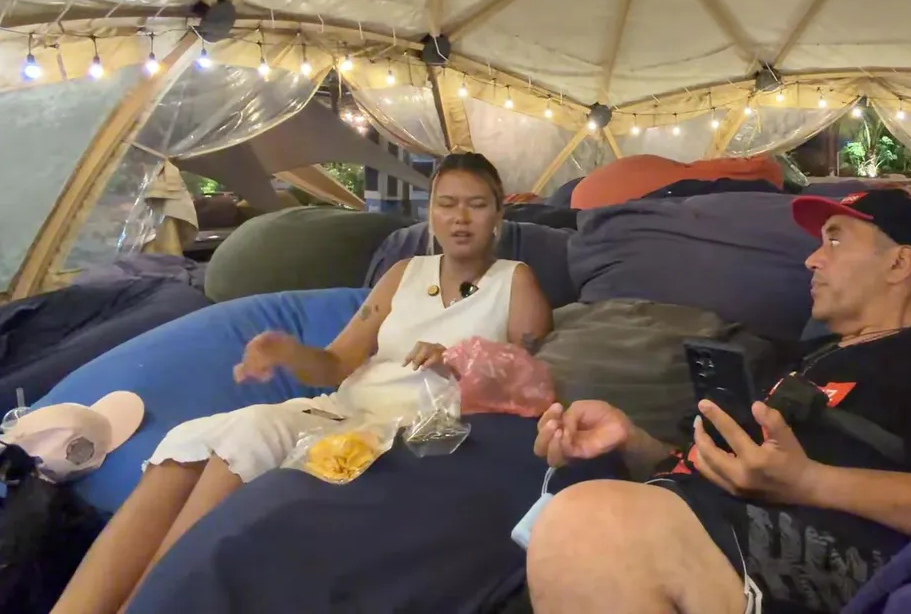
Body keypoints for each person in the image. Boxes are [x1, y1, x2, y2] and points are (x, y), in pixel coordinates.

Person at [53, 152, 553, 614]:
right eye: (447, 204)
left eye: (476, 205)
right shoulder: (404, 273)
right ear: (431, 213)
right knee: (187, 446)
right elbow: (336, 362)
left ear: (498, 214)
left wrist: (460, 359)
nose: (460, 218)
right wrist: (288, 352)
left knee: (247, 440)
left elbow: (528, 383)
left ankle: (148, 605)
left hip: (405, 434)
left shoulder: (516, 281)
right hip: (341, 409)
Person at [526, 189, 911, 614]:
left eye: (834, 240)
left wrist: (811, 483)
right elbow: (726, 470)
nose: (811, 259)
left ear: (899, 263)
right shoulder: (798, 359)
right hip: (708, 516)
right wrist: (633, 443)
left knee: (589, 526)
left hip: (850, 556)